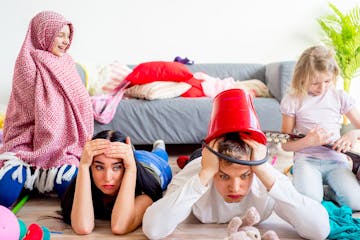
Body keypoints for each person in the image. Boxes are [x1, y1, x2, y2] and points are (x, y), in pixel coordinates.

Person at [142, 89, 330, 240]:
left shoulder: (265, 176)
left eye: (244, 175)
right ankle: (160, 148)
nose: (235, 187)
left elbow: (320, 230)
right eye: (224, 176)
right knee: (169, 161)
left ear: (254, 169)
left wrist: (263, 169)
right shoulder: (198, 172)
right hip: (200, 159)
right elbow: (153, 229)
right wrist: (206, 172)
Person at [0, 11, 93, 207]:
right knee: (5, 195)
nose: (66, 41)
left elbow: (80, 100)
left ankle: (40, 177)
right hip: (26, 143)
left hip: (63, 146)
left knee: (72, 191)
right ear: (44, 33)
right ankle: (28, 174)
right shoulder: (27, 63)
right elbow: (33, 111)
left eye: (68, 36)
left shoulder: (67, 62)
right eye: (60, 35)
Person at [280, 45, 360, 210]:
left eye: (327, 81)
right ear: (301, 78)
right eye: (315, 83)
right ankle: (308, 184)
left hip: (336, 161)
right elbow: (285, 144)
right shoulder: (293, 100)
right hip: (307, 161)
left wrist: (353, 134)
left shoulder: (339, 97)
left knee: (356, 203)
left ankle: (327, 192)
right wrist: (308, 141)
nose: (322, 88)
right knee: (310, 201)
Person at [61, 130, 172, 235]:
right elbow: (83, 227)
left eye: (117, 167)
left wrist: (131, 168)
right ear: (91, 167)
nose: (108, 178)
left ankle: (159, 147)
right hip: (128, 158)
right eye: (99, 167)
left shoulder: (144, 191)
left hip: (152, 164)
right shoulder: (84, 178)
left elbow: (120, 226)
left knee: (160, 154)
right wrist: (83, 165)